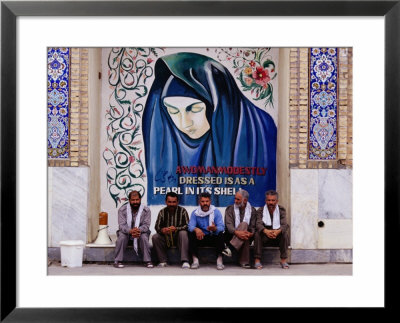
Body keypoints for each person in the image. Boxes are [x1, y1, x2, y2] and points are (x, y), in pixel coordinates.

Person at [142, 52, 277, 206]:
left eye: (194, 109)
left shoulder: (261, 129)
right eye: (172, 111)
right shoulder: (168, 139)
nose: (184, 124)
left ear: (216, 105)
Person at [113, 190, 153, 268]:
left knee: (144, 237)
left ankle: (147, 261)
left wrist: (138, 230)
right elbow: (122, 225)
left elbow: (146, 225)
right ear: (129, 200)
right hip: (126, 232)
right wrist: (130, 231)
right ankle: (117, 261)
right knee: (122, 237)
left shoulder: (146, 210)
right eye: (133, 200)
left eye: (137, 200)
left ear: (140, 199)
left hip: (140, 232)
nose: (135, 202)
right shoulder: (122, 210)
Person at [152, 192, 190, 269]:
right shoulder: (162, 212)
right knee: (155, 237)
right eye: (169, 202)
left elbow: (187, 226)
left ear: (177, 202)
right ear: (166, 202)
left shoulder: (183, 211)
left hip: (179, 238)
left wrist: (176, 229)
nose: (171, 204)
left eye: (174, 202)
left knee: (183, 233)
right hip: (166, 238)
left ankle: (185, 261)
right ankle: (163, 261)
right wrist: (162, 230)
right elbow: (157, 227)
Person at [188, 192, 225, 270]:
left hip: (212, 237)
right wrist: (196, 229)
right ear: (199, 202)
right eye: (203, 201)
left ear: (210, 202)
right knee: (191, 233)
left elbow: (222, 227)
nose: (205, 203)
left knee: (220, 234)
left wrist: (215, 228)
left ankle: (219, 260)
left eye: (207, 201)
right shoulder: (195, 213)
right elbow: (190, 226)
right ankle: (195, 260)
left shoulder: (216, 212)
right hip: (201, 237)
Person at [254, 190, 290, 269]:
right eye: (269, 200)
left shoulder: (281, 210)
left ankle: (283, 260)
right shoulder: (260, 210)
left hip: (277, 235)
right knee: (257, 234)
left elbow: (284, 224)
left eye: (273, 200)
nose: (271, 202)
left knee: (284, 234)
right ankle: (257, 260)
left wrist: (278, 231)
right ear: (265, 201)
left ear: (277, 201)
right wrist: (266, 231)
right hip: (265, 236)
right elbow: (258, 224)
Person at [224, 189, 257, 269]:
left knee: (245, 231)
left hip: (247, 235)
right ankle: (244, 262)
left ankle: (230, 249)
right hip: (231, 235)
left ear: (245, 200)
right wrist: (237, 233)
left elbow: (253, 226)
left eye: (238, 199)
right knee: (244, 228)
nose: (235, 201)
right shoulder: (230, 209)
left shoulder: (252, 210)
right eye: (235, 198)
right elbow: (229, 225)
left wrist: (251, 233)